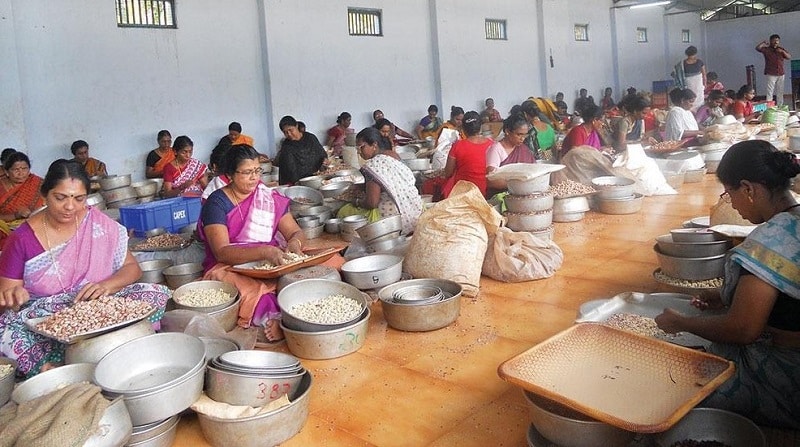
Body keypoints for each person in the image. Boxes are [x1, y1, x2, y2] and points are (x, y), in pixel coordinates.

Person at [656, 140, 800, 429]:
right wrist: (727, 296)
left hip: (787, 379)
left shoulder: (769, 242)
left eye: (728, 193)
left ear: (748, 189)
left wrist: (681, 322)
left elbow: (743, 329)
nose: (729, 203)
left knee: (672, 388)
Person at [0, 159, 169, 377]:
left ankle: (89, 350)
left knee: (154, 293)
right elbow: (7, 295)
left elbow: (132, 269)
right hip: (45, 315)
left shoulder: (95, 222)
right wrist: (14, 296)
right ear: (45, 194)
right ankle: (54, 367)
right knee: (7, 330)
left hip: (96, 303)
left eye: (79, 199)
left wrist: (106, 285)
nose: (70, 207)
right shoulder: (22, 238)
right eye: (60, 198)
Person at [198, 145, 334, 343]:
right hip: (229, 265)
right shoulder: (217, 203)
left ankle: (314, 313)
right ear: (230, 174)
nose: (254, 177)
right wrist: (264, 252)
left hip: (271, 259)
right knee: (255, 293)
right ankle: (279, 321)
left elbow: (295, 231)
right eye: (246, 172)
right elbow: (222, 252)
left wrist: (295, 244)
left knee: (330, 264)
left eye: (257, 170)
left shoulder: (266, 197)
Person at [336, 127, 422, 234]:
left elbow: (372, 203)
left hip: (395, 218)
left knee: (344, 211)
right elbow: (391, 182)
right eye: (357, 149)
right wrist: (362, 186)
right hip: (414, 209)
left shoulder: (373, 166)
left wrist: (356, 202)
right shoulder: (393, 155)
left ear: (374, 145)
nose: (359, 152)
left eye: (361, 147)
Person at [441, 111, 492, 198]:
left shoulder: (457, 145)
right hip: (488, 193)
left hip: (464, 194)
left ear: (463, 129)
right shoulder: (492, 144)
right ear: (480, 127)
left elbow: (448, 173)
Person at [275, 115, 326, 185]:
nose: (289, 134)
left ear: (296, 126)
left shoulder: (310, 138)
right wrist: (297, 182)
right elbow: (289, 169)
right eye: (285, 132)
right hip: (298, 183)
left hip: (316, 178)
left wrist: (325, 161)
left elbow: (321, 154)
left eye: (290, 130)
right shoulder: (286, 147)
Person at [0, 152, 44, 223]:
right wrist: (15, 215)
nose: (21, 173)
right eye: (16, 169)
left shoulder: (38, 183)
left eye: (24, 168)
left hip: (34, 224)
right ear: (7, 172)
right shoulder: (1, 187)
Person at [756, 35, 792, 106]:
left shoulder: (781, 49)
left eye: (777, 40)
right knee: (770, 91)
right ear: (770, 41)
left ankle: (780, 106)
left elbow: (789, 57)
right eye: (774, 40)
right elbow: (757, 48)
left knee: (780, 91)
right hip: (771, 73)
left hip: (781, 73)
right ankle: (769, 106)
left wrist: (782, 52)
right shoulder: (767, 49)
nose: (776, 42)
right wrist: (763, 43)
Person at [672, 46, 706, 111]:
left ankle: (690, 111)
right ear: (695, 53)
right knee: (698, 99)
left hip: (688, 83)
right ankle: (698, 113)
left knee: (689, 98)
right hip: (698, 84)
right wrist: (705, 84)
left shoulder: (682, 64)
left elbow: (675, 73)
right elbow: (704, 75)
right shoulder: (700, 62)